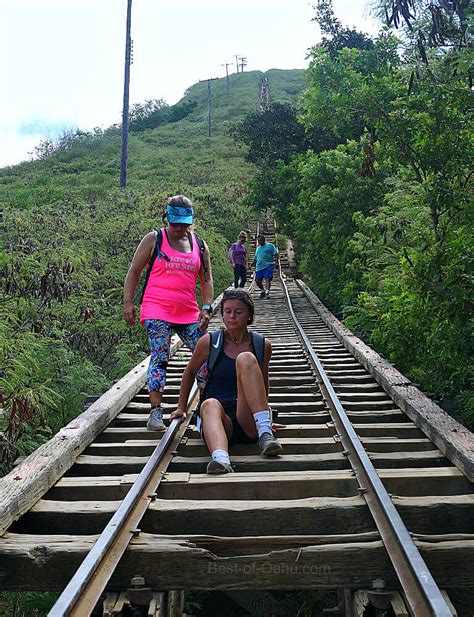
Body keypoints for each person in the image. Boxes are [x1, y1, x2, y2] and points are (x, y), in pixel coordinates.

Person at [123, 195, 214, 431]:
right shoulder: (154, 239)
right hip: (156, 307)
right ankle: (155, 411)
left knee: (205, 355)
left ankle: (204, 407)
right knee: (160, 355)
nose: (180, 228)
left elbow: (206, 279)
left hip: (188, 311)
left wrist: (207, 307)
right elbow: (134, 271)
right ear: (167, 218)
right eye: (175, 223)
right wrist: (128, 303)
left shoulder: (200, 245)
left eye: (184, 223)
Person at [170, 289, 284, 474]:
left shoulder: (262, 344)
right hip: (218, 419)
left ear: (249, 316)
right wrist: (181, 408)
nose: (232, 316)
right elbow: (190, 372)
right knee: (209, 404)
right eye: (227, 312)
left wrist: (266, 417)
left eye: (238, 312)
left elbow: (262, 383)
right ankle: (221, 460)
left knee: (246, 358)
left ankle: (265, 433)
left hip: (246, 418)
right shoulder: (210, 341)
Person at [252, 233, 278, 298]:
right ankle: (262, 290)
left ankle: (267, 292)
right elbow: (256, 258)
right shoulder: (258, 248)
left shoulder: (270, 246)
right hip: (259, 266)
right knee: (257, 280)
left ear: (263, 240)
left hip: (268, 265)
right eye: (258, 241)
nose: (259, 242)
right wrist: (251, 265)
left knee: (267, 279)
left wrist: (276, 262)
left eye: (260, 240)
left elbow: (276, 254)